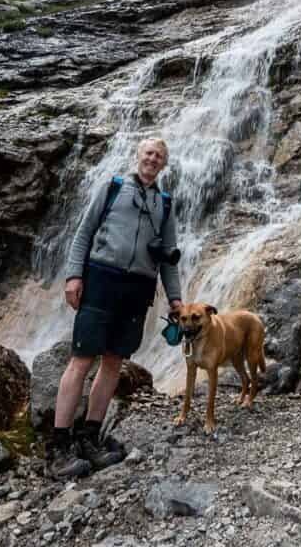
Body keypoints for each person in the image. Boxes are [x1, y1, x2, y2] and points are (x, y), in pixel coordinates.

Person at [47, 137, 183, 479]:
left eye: (159, 156)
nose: (153, 159)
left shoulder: (165, 204)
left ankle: (89, 438)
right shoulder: (112, 188)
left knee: (113, 362)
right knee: (81, 359)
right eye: (148, 153)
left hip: (138, 289)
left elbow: (169, 258)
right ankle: (58, 447)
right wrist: (74, 276)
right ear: (138, 156)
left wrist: (176, 298)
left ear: (164, 164)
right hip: (102, 279)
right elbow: (84, 233)